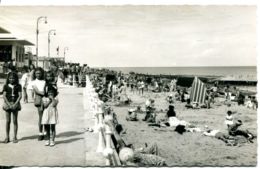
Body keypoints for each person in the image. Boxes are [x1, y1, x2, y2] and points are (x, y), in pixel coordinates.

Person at [2, 72, 22, 143]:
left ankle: (15, 137)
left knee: (15, 121)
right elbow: (4, 96)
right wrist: (9, 104)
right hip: (7, 104)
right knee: (8, 121)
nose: (11, 79)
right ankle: (7, 137)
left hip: (15, 103)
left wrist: (15, 104)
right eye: (10, 78)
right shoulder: (6, 86)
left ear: (16, 79)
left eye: (13, 78)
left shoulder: (18, 86)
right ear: (8, 78)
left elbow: (20, 96)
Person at [31, 67, 46, 141]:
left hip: (45, 99)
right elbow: (36, 91)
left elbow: (46, 89)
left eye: (39, 73)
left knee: (46, 115)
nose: (38, 75)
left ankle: (46, 132)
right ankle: (40, 132)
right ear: (35, 74)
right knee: (40, 116)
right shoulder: (33, 82)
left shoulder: (44, 81)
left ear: (42, 73)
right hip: (39, 99)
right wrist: (42, 92)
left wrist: (43, 93)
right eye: (37, 73)